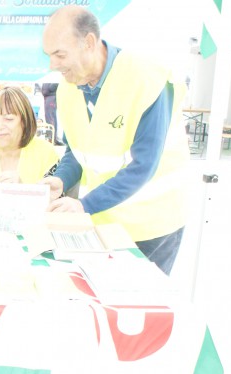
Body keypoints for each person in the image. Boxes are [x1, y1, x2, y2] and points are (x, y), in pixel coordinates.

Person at [41, 6, 190, 275]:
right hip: (103, 221)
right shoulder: (68, 88)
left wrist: (83, 205)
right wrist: (61, 179)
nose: (53, 65)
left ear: (89, 42)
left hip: (153, 226)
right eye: (49, 55)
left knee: (138, 297)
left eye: (60, 54)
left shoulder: (146, 79)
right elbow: (77, 150)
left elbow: (144, 165)